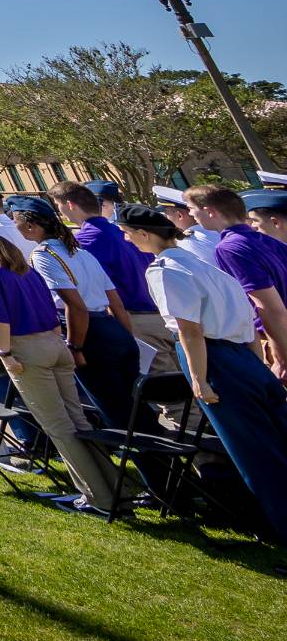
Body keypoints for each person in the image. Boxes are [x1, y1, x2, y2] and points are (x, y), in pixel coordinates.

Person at [122, 205, 287, 541]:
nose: (127, 239)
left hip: (216, 360)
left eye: (128, 233)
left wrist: (199, 379)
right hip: (243, 356)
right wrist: (256, 365)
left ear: (144, 234)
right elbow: (247, 325)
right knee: (275, 440)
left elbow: (190, 331)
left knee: (255, 454)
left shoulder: (165, 270)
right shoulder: (206, 265)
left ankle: (280, 527)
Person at [0, 210, 121, 514]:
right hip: (53, 342)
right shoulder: (18, 261)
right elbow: (48, 306)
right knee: (77, 419)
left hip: (26, 346)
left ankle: (99, 497)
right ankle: (113, 488)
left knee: (58, 426)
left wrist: (4, 354)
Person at [11, 200, 139, 430]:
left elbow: (76, 306)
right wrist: (126, 338)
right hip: (112, 328)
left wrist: (75, 347)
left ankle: (137, 452)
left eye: (15, 221)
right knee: (132, 404)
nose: (14, 226)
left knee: (113, 410)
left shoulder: (44, 255)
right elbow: (117, 304)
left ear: (30, 226)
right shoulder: (81, 253)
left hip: (86, 332)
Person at [54, 181, 173, 377]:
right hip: (162, 314)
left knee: (164, 389)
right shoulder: (126, 231)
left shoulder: (84, 241)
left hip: (134, 319)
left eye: (58, 204)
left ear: (70, 205)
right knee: (183, 383)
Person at [188, 185, 287, 383]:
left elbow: (268, 307)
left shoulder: (230, 247)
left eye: (191, 208)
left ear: (209, 211)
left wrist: (281, 357)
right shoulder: (268, 241)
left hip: (278, 337)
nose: (191, 214)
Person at [154, 186, 222, 254]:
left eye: (166, 213)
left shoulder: (185, 242)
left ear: (179, 215)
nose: (165, 217)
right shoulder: (216, 229)